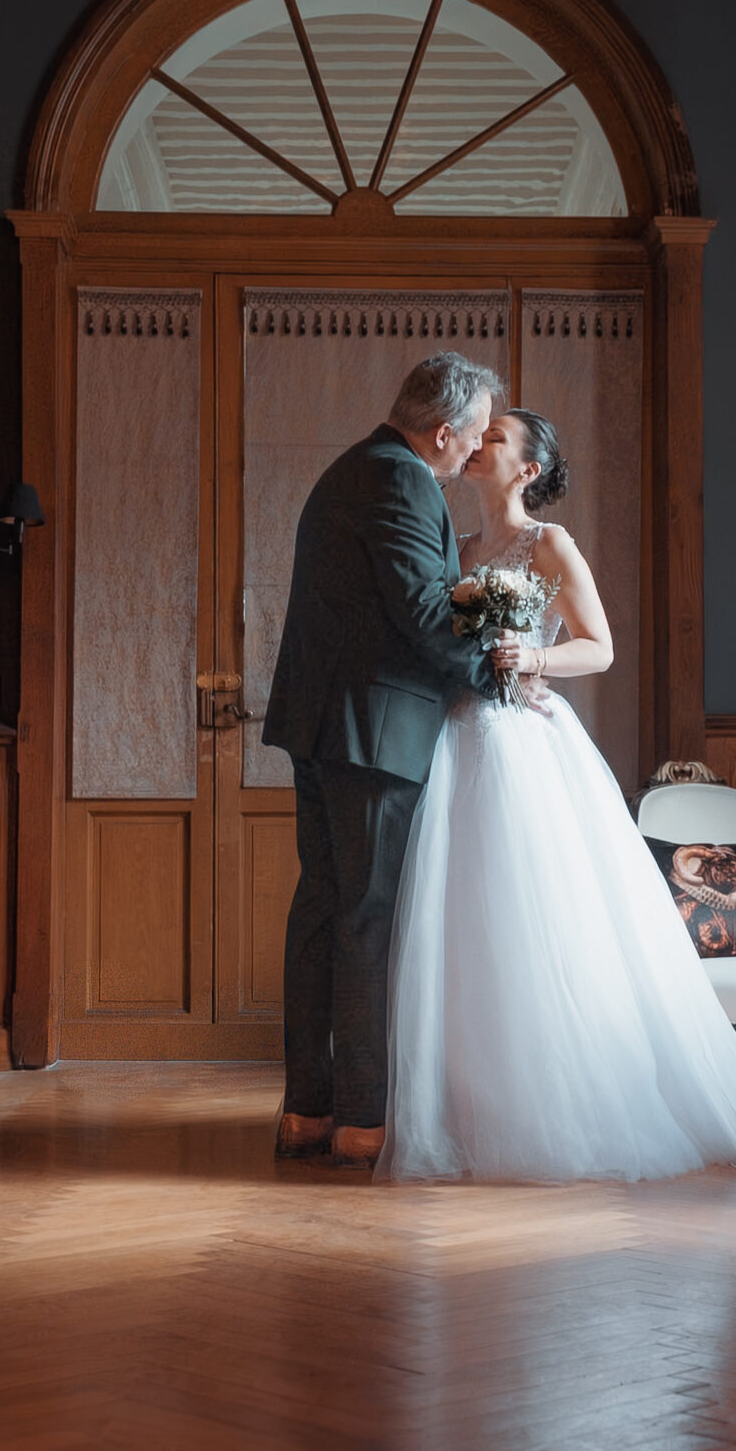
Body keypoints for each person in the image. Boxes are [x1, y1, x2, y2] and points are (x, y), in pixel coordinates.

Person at [381, 409, 736, 1182]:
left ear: (527, 470)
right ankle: (473, 1108)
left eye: (494, 439)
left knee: (537, 912)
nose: (478, 444)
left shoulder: (550, 543)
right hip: (458, 737)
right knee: (463, 920)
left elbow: (598, 646)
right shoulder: (457, 547)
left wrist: (533, 654)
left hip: (525, 742)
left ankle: (560, 1106)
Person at [263, 353, 500, 1169]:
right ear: (442, 431)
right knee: (363, 917)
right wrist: (495, 673)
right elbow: (424, 613)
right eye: (471, 438)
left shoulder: (350, 469)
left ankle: (307, 1108)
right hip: (373, 734)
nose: (473, 454)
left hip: (326, 726)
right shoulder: (403, 480)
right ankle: (364, 1116)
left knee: (323, 911)